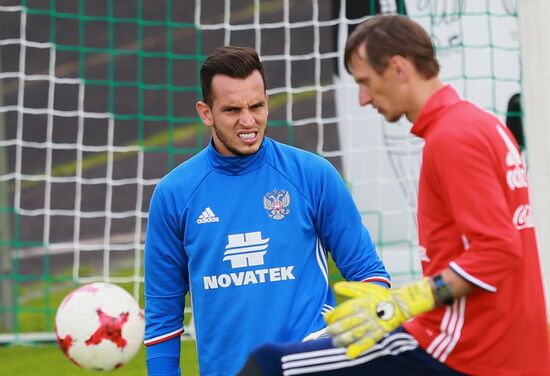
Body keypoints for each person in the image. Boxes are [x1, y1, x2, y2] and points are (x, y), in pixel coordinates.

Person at [238, 15, 550, 376]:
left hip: (465, 348)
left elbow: (497, 250)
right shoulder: (482, 125)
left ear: (399, 69)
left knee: (268, 365)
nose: (363, 98)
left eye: (366, 82)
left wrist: (404, 301)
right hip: (511, 347)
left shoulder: (453, 137)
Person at [143, 45, 391, 376]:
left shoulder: (313, 175)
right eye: (232, 110)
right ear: (206, 112)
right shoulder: (174, 194)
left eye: (257, 106)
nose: (249, 121)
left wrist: (349, 334)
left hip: (311, 367)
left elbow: (370, 274)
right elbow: (162, 315)